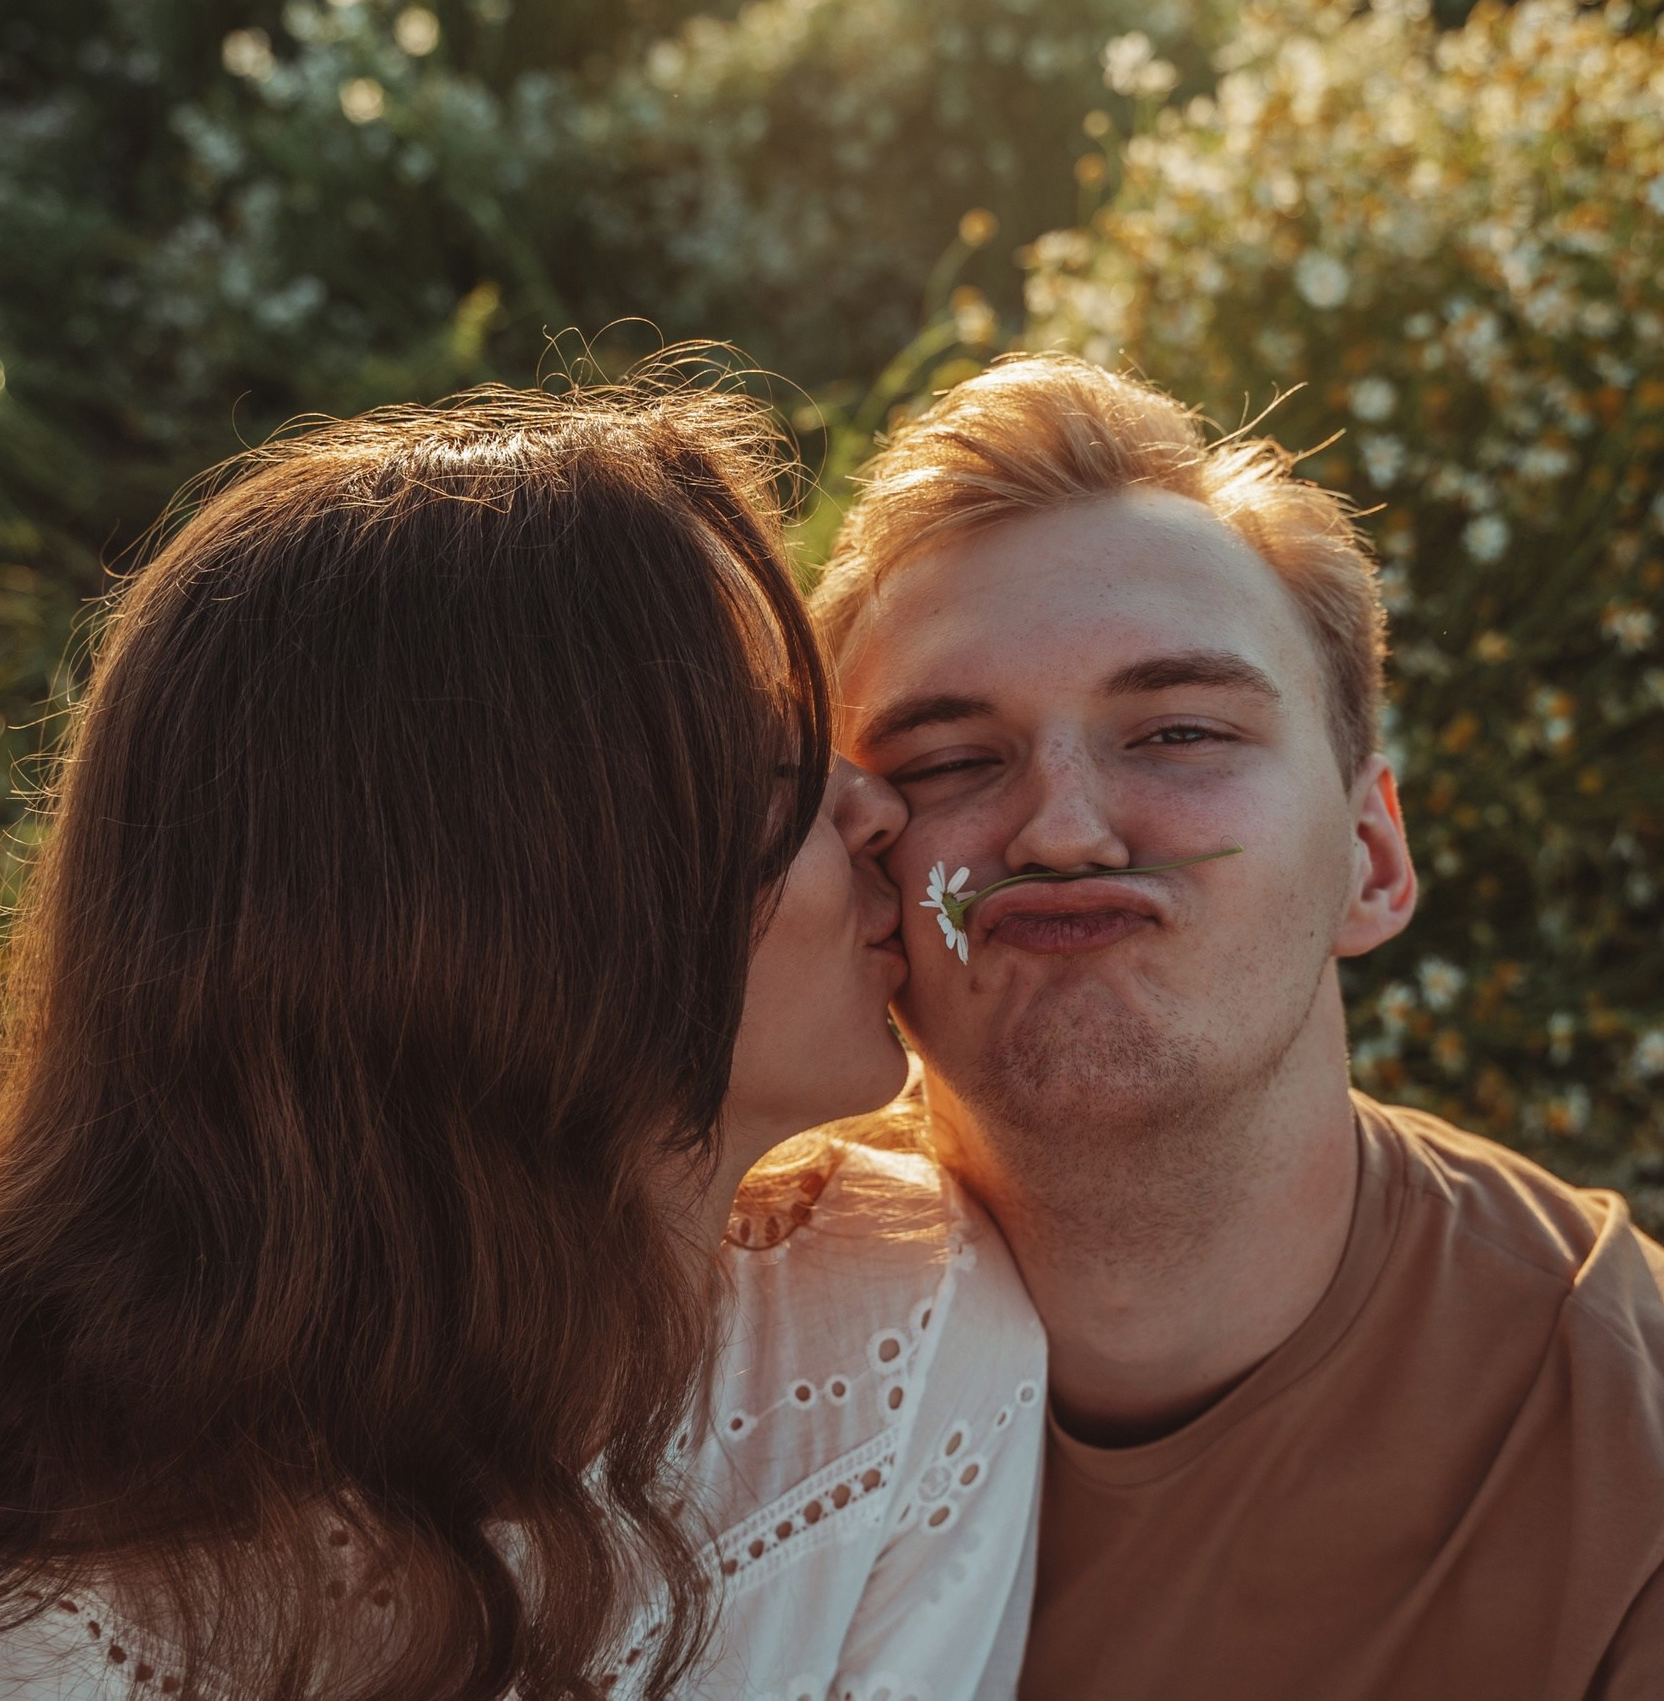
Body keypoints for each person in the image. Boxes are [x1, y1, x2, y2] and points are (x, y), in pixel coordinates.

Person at [0, 378, 1045, 1701]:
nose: (878, 807)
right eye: (769, 771)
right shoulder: (56, 1600)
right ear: (493, 907)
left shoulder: (899, 1338)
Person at [814, 353, 1664, 1701]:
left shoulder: (1655, 1480)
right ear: (857, 874)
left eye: (1176, 732)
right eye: (946, 762)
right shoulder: (694, 1346)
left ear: (1369, 858)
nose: (1060, 828)